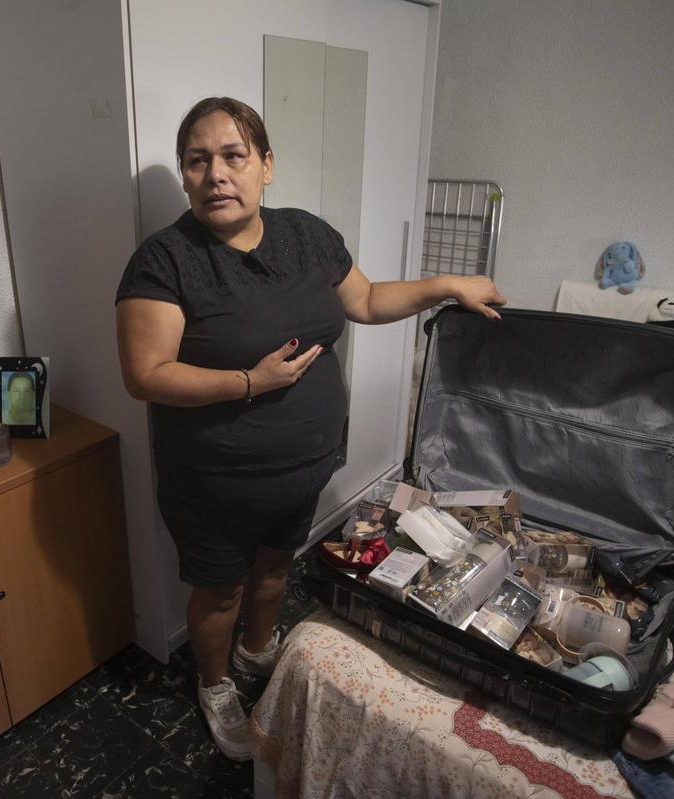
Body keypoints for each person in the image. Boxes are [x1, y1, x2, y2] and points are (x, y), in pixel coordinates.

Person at [115, 97, 505, 761]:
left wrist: (449, 284)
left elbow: (369, 300)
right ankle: (214, 684)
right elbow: (146, 374)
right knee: (219, 592)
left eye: (234, 156)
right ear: (184, 178)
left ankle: (259, 648)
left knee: (275, 569)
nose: (217, 174)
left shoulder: (309, 236)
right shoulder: (164, 261)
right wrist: (248, 383)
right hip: (214, 481)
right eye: (197, 160)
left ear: (266, 165)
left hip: (305, 463)